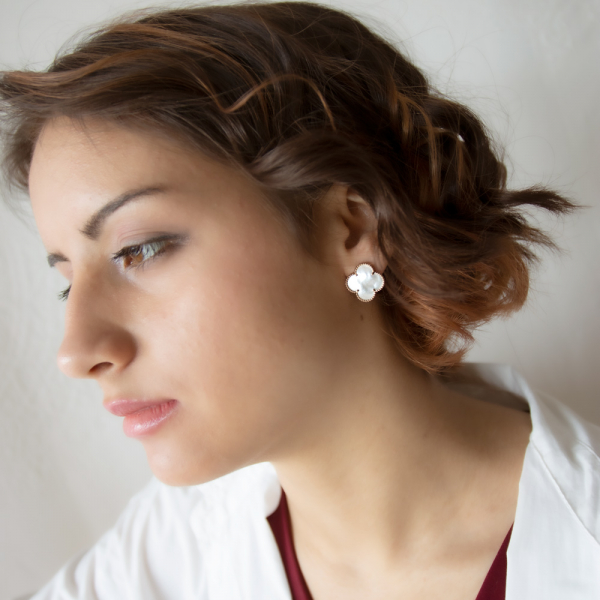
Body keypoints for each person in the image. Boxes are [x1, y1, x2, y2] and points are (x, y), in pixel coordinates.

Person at [1, 2, 598, 599]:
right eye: (66, 279)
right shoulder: (164, 551)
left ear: (350, 229)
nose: (76, 351)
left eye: (141, 249)